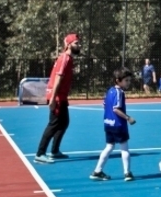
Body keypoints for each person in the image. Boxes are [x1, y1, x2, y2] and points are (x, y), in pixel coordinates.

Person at [34, 33, 81, 164]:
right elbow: (58, 79)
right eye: (76, 43)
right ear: (68, 45)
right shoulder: (65, 58)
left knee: (64, 123)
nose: (79, 45)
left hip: (61, 96)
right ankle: (40, 153)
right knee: (53, 124)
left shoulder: (69, 59)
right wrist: (53, 98)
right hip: (58, 97)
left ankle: (55, 151)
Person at [90, 67, 137, 181]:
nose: (128, 83)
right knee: (124, 148)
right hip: (118, 125)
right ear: (118, 80)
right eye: (126, 80)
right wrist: (128, 118)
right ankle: (127, 173)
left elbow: (104, 105)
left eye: (129, 80)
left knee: (109, 147)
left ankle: (97, 171)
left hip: (108, 124)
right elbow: (116, 109)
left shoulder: (109, 91)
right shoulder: (119, 92)